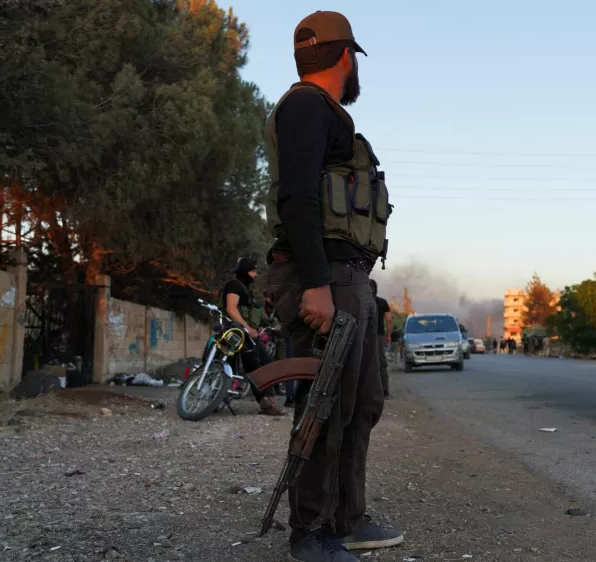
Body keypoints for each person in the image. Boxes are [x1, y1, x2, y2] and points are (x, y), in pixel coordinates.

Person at [261, 11, 402, 562]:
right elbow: (296, 198)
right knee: (326, 403)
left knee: (361, 401)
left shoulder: (321, 112)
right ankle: (310, 533)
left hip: (348, 277)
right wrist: (316, 285)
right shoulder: (304, 106)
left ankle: (347, 517)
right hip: (323, 276)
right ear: (347, 57)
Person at [221, 257, 284, 416]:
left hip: (249, 333)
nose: (255, 275)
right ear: (244, 271)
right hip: (238, 332)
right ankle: (265, 401)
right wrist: (248, 329)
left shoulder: (246, 290)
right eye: (252, 271)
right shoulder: (234, 285)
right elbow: (231, 309)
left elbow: (252, 313)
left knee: (267, 363)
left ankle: (268, 399)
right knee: (254, 365)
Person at [370, 280, 392, 399]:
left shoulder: (363, 301)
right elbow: (388, 320)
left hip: (364, 335)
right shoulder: (382, 302)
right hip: (379, 335)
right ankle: (385, 391)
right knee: (381, 362)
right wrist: (388, 336)